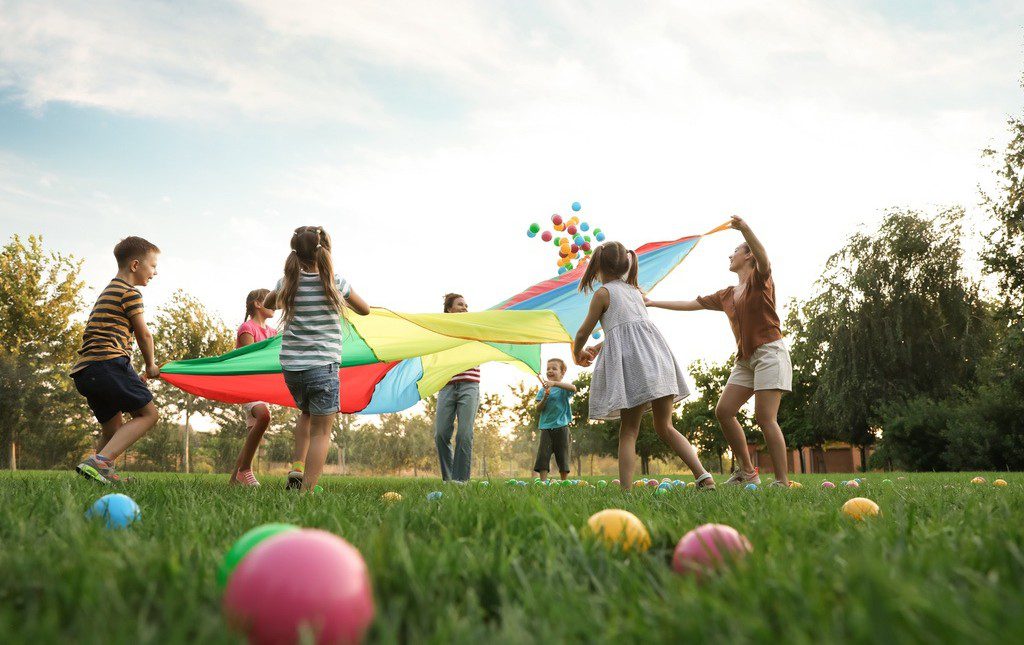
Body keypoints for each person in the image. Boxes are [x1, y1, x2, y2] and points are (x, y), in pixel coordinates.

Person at [645, 215, 792, 486]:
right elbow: (692, 303)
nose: (730, 255)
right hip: (745, 359)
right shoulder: (727, 294)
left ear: (748, 257)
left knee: (764, 417)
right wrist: (653, 303)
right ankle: (747, 472)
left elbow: (765, 260)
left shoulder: (760, 280)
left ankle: (782, 481)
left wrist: (746, 229)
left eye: (735, 251)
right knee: (724, 411)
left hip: (770, 352)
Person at [573, 241, 715, 491]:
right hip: (658, 361)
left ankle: (626, 493)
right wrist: (602, 346)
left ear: (598, 267)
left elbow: (585, 331)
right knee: (666, 427)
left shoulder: (603, 294)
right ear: (626, 265)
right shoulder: (635, 292)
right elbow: (630, 331)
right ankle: (704, 476)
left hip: (635, 368)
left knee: (629, 431)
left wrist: (577, 352)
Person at [263, 226, 370, 492]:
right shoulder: (335, 282)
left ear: (295, 253)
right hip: (323, 366)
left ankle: (297, 468)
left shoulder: (288, 282)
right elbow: (365, 309)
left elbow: (268, 303)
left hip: (292, 369)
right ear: (325, 251)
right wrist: (338, 299)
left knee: (306, 413)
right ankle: (307, 491)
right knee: (322, 432)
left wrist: (284, 288)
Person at [72, 236, 162, 484]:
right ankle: (100, 462)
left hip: (86, 370)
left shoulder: (108, 290)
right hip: (108, 364)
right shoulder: (130, 293)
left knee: (112, 429)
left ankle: (97, 474)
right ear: (135, 265)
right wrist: (150, 365)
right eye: (153, 266)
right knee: (148, 414)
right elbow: (143, 333)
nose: (155, 272)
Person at [228, 288, 280, 486]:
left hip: (262, 388)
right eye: (269, 300)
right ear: (258, 304)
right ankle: (245, 470)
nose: (274, 304)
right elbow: (249, 361)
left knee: (253, 434)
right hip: (248, 385)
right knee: (264, 416)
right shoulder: (247, 328)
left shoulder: (273, 332)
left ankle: (234, 480)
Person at [433, 293, 480, 482]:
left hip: (470, 385)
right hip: (446, 386)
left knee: (464, 434)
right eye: (460, 304)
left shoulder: (474, 328)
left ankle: (461, 482)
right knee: (441, 434)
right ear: (449, 309)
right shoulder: (441, 332)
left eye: (466, 305)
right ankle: (449, 479)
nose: (465, 308)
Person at [533, 358, 576, 482]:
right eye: (548, 369)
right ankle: (543, 481)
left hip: (562, 427)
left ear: (562, 373)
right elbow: (538, 409)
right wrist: (545, 398)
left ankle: (564, 481)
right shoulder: (542, 390)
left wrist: (555, 384)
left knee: (562, 455)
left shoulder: (563, 389)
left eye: (554, 368)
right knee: (543, 455)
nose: (550, 371)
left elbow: (573, 388)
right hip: (546, 428)